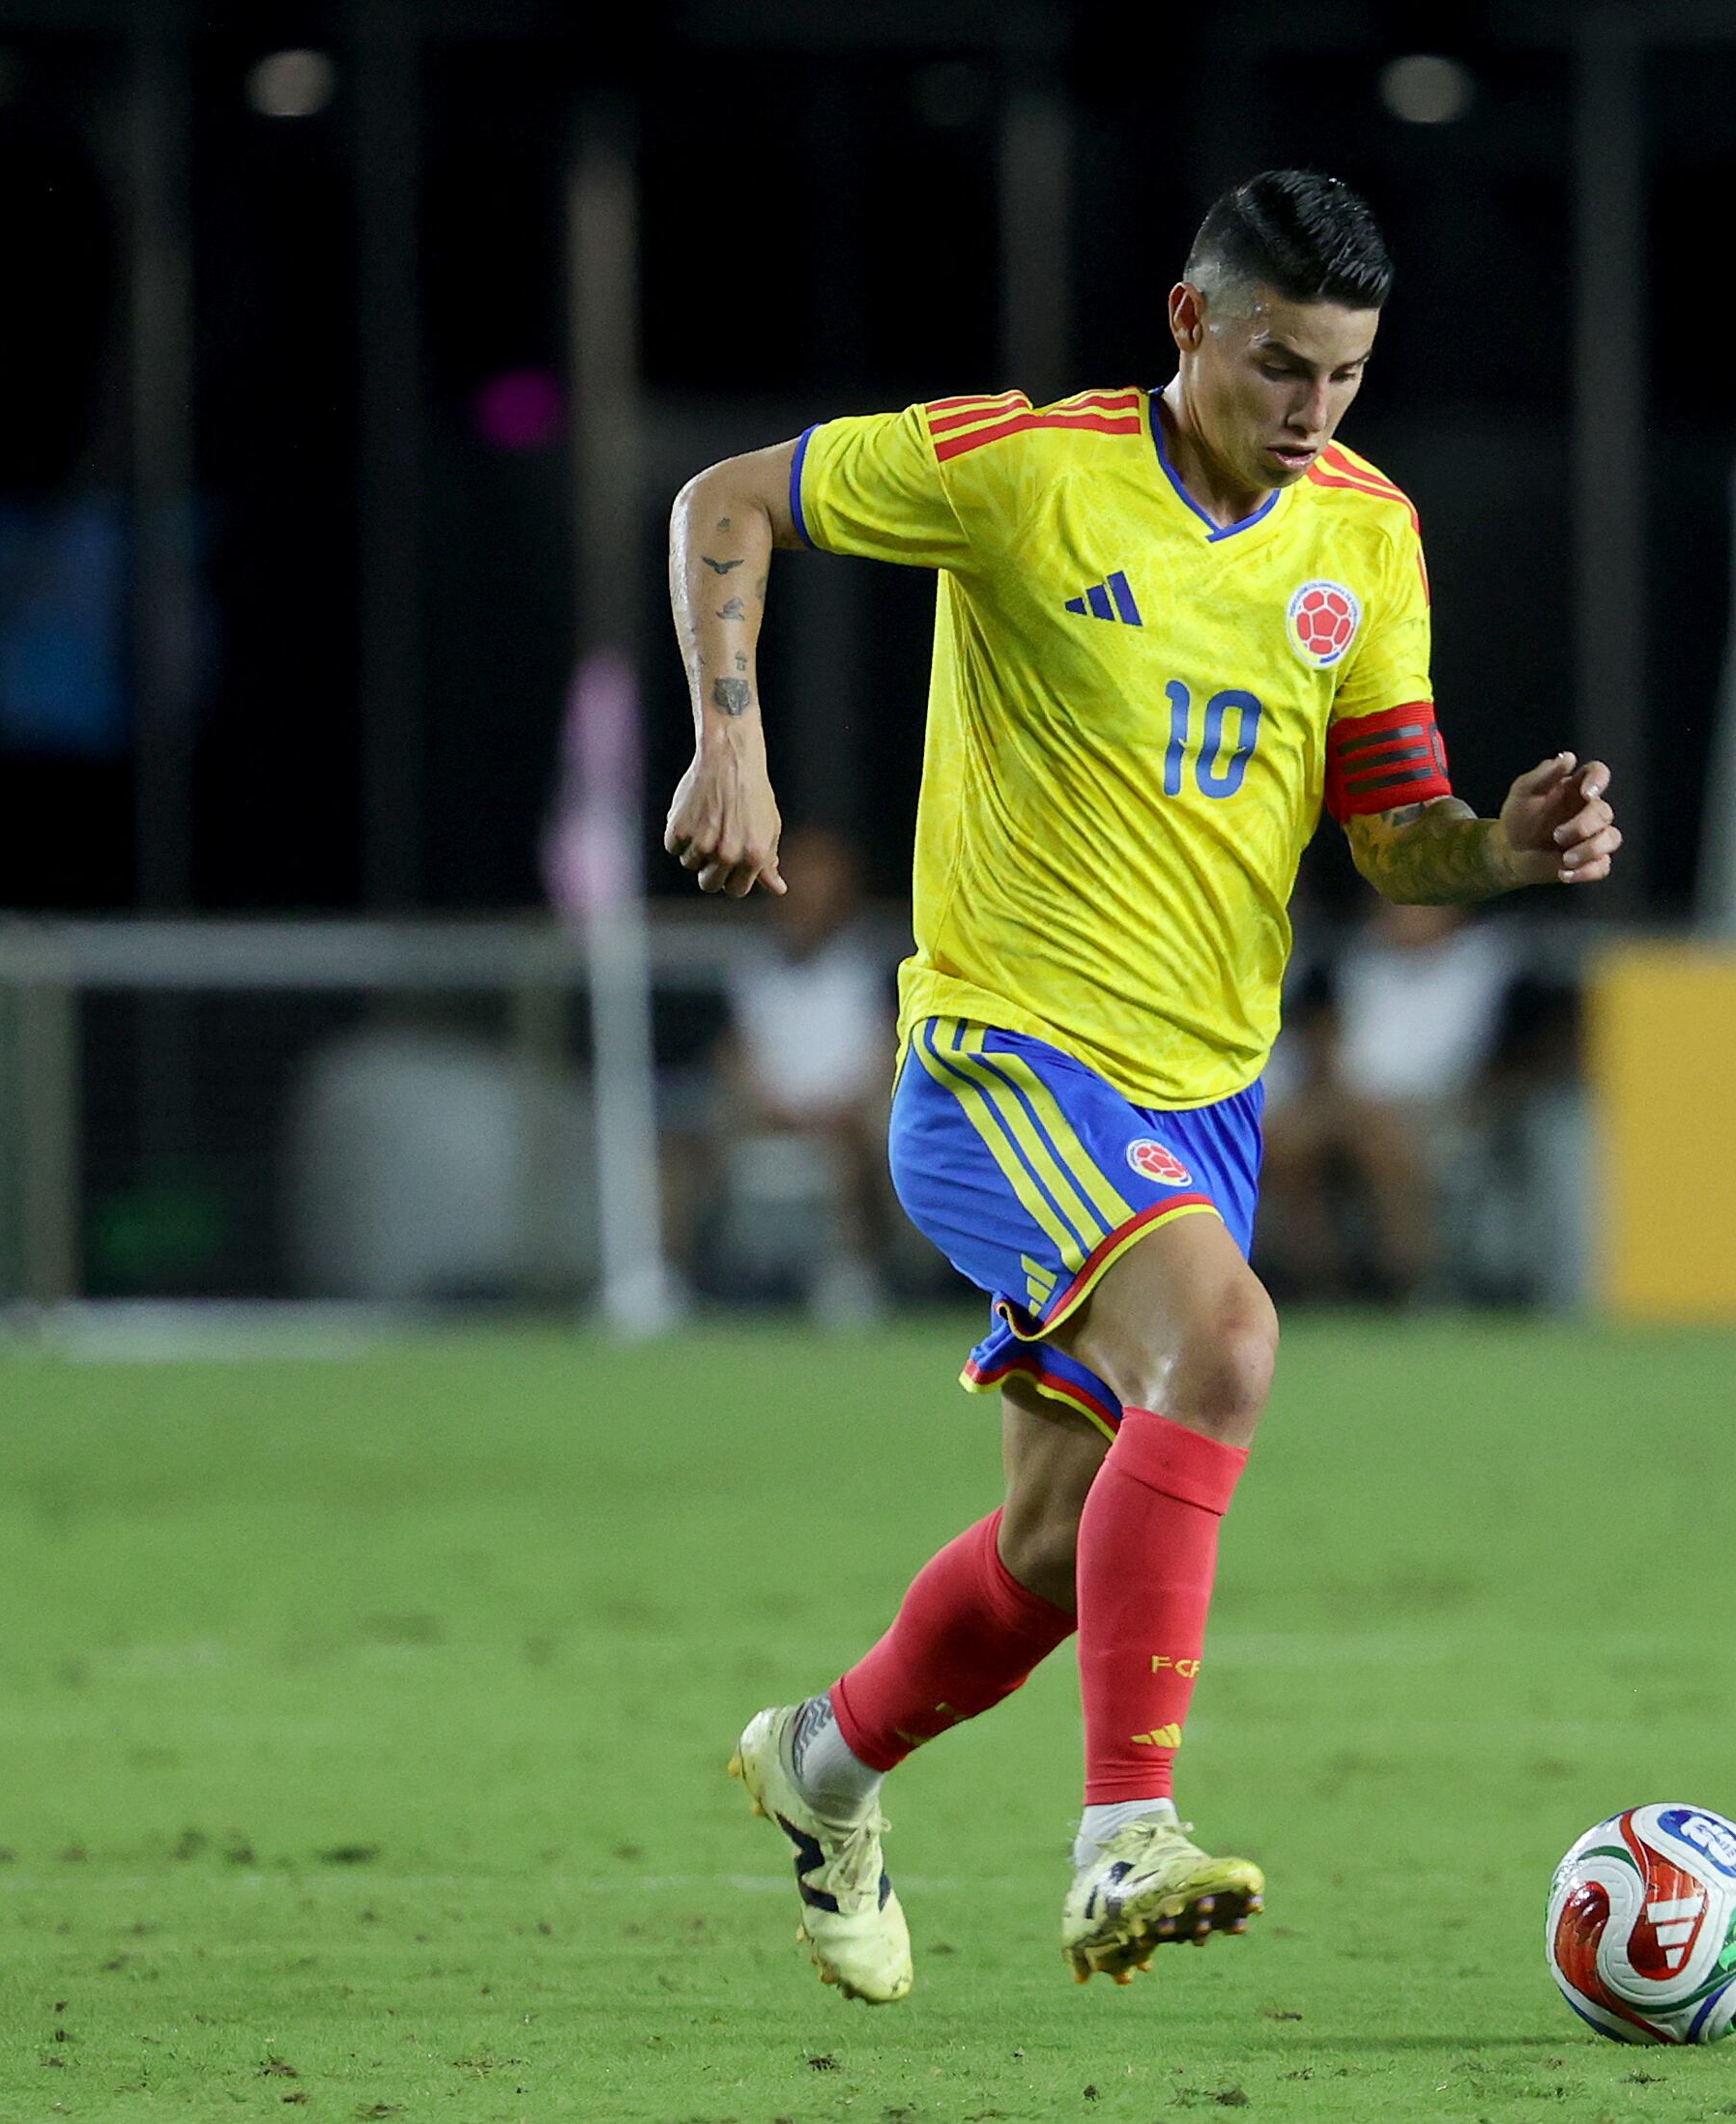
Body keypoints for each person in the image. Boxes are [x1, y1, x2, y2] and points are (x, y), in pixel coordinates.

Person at [659, 171, 1621, 1998]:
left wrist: (1497, 847)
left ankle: (824, 1761)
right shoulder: (1024, 467)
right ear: (1191, 325)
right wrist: (735, 744)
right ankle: (1125, 1839)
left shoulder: (1368, 538)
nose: (1313, 409)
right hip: (1001, 1058)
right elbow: (727, 502)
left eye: (1344, 374)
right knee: (1234, 1346)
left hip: (1206, 1107)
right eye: (1280, 366)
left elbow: (1393, 838)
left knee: (1050, 1552)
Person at [1259, 902, 1516, 1299]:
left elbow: (1464, 1061)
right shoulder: (1363, 958)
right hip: (1347, 1101)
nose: (1399, 914)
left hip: (1436, 1108)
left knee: (1377, 1136)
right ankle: (1316, 1283)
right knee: (1286, 1139)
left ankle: (1413, 1281)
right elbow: (1344, 1047)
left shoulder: (1481, 960)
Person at [699, 824, 896, 1312]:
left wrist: (838, 1113)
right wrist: (767, 1107)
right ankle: (679, 1284)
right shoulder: (753, 968)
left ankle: (853, 1277)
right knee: (677, 1155)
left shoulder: (869, 967)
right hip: (767, 1117)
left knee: (869, 1144)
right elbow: (733, 1057)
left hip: (845, 1120)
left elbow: (886, 1050)